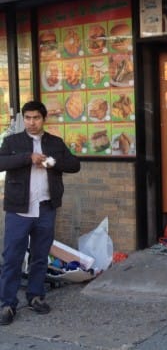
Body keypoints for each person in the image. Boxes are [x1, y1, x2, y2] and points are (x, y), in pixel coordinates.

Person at [0, 101, 80, 325]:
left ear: (44, 119)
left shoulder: (54, 142)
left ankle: (35, 296)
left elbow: (75, 165)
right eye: (27, 118)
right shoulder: (13, 141)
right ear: (23, 119)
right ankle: (7, 304)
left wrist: (53, 163)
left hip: (45, 207)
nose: (31, 122)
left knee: (40, 256)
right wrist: (28, 158)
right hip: (19, 209)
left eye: (36, 118)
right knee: (12, 258)